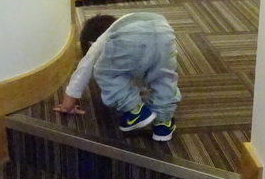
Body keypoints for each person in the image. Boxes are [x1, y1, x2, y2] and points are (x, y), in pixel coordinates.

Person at [55, 12, 181, 141]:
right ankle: (163, 123)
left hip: (130, 37)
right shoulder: (129, 23)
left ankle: (135, 110)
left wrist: (67, 104)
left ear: (90, 44)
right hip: (164, 30)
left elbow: (83, 69)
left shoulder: (106, 39)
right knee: (163, 78)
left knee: (105, 72)